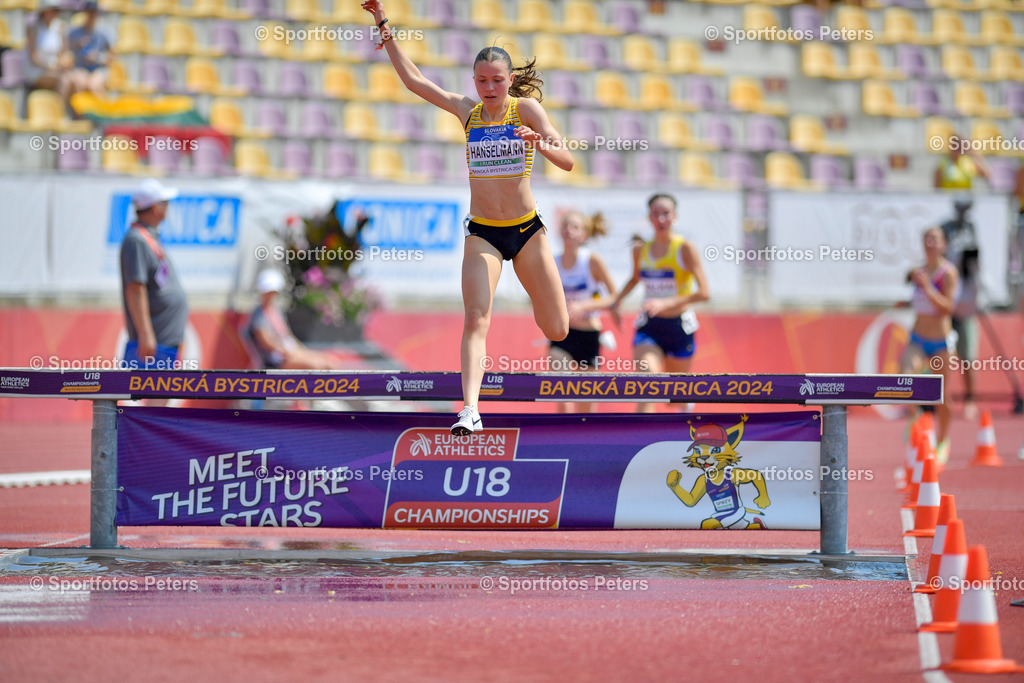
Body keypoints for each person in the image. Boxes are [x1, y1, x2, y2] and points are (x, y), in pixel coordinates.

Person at [362, 0, 572, 435]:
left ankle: (549, 331)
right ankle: (470, 410)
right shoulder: (467, 111)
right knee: (477, 316)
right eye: (481, 81)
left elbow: (567, 160)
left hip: (527, 232)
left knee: (558, 327)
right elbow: (414, 80)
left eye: (497, 80)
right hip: (484, 235)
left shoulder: (526, 111)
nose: (489, 88)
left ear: (510, 80)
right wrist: (384, 24)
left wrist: (541, 142)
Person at [609, 193, 710, 413]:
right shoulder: (640, 250)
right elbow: (635, 278)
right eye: (656, 214)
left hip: (679, 327)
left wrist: (667, 303)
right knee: (649, 384)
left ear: (675, 216)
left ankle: (684, 414)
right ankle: (642, 439)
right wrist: (616, 302)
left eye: (666, 214)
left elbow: (704, 293)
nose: (661, 219)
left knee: (676, 395)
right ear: (649, 218)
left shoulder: (684, 248)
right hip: (650, 327)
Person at [548, 209, 619, 413]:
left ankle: (586, 440)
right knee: (560, 391)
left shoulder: (591, 261)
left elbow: (614, 296)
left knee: (586, 403)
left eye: (574, 227)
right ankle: (563, 438)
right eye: (565, 226)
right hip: (562, 334)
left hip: (589, 335)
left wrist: (585, 306)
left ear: (584, 235)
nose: (568, 231)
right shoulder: (553, 262)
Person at [901, 227, 959, 465]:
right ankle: (916, 420)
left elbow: (947, 308)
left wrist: (927, 288)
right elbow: (919, 301)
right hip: (917, 337)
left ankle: (943, 440)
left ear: (943, 244)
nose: (930, 243)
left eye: (935, 239)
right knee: (904, 381)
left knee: (943, 396)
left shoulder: (948, 273)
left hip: (941, 343)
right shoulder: (919, 271)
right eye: (927, 239)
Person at [120, 179, 189, 369]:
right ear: (155, 208)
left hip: (163, 337)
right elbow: (135, 289)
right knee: (155, 392)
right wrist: (145, 333)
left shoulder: (147, 237)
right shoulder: (137, 240)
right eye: (165, 203)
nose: (168, 207)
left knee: (163, 393)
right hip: (155, 339)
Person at [247, 270, 340, 370]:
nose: (271, 296)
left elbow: (287, 335)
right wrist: (289, 352)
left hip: (290, 352)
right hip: (279, 360)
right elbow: (265, 342)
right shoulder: (259, 315)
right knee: (315, 366)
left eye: (273, 292)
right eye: (268, 292)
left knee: (330, 362)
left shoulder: (276, 312)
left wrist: (302, 350)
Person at [941, 196, 981, 419]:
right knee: (941, 356)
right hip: (947, 306)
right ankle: (936, 398)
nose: (963, 213)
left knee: (968, 357)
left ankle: (970, 400)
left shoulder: (972, 230)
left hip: (966, 306)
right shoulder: (946, 230)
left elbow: (975, 266)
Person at [25, 0, 77, 101]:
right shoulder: (33, 28)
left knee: (76, 80)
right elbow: (34, 58)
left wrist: (61, 64)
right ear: (45, 11)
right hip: (37, 70)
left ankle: (76, 114)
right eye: (53, 10)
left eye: (57, 11)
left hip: (54, 69)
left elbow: (63, 52)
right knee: (65, 81)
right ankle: (59, 112)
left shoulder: (61, 27)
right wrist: (51, 66)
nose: (55, 13)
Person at [68, 1, 112, 96]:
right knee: (79, 83)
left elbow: (112, 57)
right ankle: (80, 111)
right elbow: (65, 53)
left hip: (99, 69)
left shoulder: (105, 33)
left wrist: (98, 58)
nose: (92, 15)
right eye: (89, 12)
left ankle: (101, 110)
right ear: (85, 13)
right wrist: (76, 46)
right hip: (80, 67)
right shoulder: (74, 33)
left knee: (94, 85)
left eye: (94, 12)